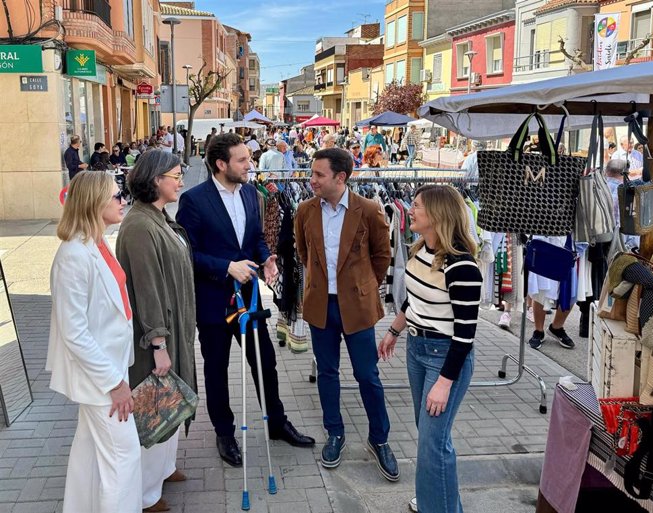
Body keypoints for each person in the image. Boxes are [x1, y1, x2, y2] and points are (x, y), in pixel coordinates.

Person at [176, 133, 314, 468]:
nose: (249, 165)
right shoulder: (194, 200)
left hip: (249, 299)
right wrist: (226, 267)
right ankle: (224, 432)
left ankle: (276, 422)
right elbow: (187, 254)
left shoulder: (252, 193)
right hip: (213, 301)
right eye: (242, 160)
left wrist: (266, 258)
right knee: (217, 369)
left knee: (265, 361)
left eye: (248, 159)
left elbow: (254, 238)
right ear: (221, 164)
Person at [294, 148, 399, 481]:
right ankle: (334, 433)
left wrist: (364, 287)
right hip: (320, 306)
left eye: (318, 175)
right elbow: (302, 252)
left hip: (357, 306)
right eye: (312, 174)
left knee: (367, 375)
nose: (312, 181)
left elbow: (383, 256)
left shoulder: (368, 210)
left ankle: (379, 438)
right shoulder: (305, 210)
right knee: (327, 373)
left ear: (340, 177)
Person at [377, 185, 482, 513]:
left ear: (436, 215)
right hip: (416, 349)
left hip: (445, 357)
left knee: (431, 445)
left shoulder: (462, 267)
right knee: (432, 439)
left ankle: (435, 505)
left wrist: (444, 382)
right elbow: (416, 299)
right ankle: (441, 502)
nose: (410, 208)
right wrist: (395, 329)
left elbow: (465, 334)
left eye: (417, 205)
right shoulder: (420, 249)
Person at [47, 171, 140, 512]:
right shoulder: (73, 256)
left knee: (88, 454)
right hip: (101, 378)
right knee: (123, 457)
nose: (123, 201)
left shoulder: (98, 244)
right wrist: (114, 383)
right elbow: (74, 332)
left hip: (110, 368)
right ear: (94, 202)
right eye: (117, 196)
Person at [116, 151, 197, 513]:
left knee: (172, 400)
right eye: (175, 175)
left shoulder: (158, 218)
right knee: (154, 406)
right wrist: (158, 342)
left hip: (174, 328)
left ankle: (164, 469)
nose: (180, 181)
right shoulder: (138, 226)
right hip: (157, 335)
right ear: (155, 179)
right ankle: (147, 493)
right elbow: (146, 288)